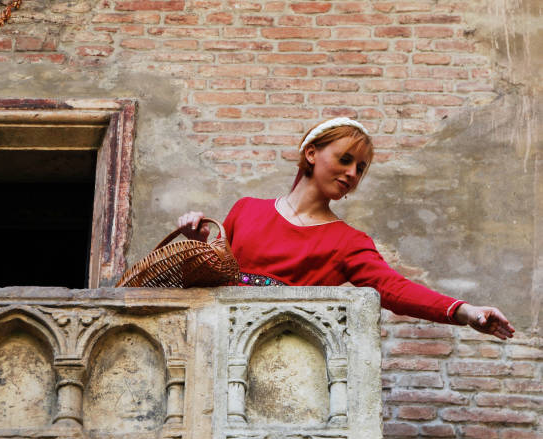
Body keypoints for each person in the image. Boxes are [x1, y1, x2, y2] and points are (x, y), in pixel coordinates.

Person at [178, 117, 514, 340]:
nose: (353, 173)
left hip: (287, 357)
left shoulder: (348, 241)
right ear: (311, 153)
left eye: (360, 168)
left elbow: (394, 289)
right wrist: (198, 243)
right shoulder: (247, 210)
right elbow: (211, 280)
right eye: (345, 159)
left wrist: (465, 312)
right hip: (219, 345)